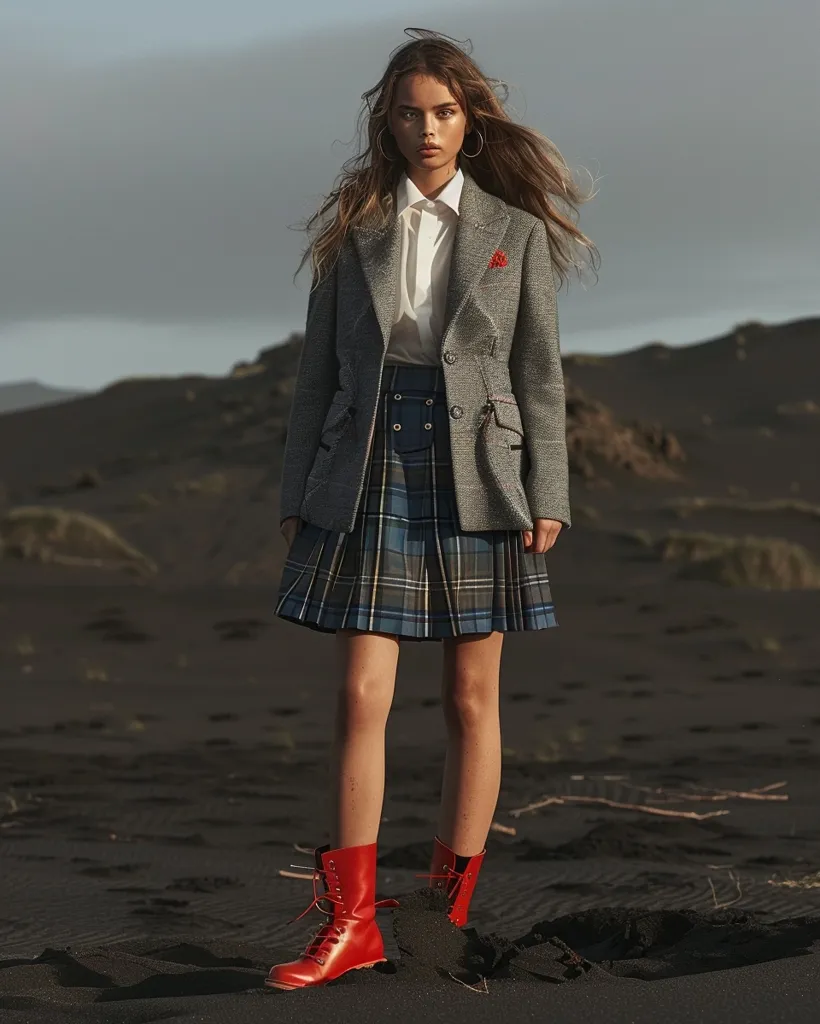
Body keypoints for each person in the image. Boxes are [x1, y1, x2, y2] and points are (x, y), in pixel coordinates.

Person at [266, 27, 598, 991]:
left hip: (481, 471)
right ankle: (353, 924)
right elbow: (316, 376)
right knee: (359, 696)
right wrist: (299, 491)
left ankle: (445, 919)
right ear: (389, 121)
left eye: (444, 112)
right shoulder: (353, 231)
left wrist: (550, 494)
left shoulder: (517, 233)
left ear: (470, 120)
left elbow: (540, 375)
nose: (426, 129)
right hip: (367, 464)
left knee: (469, 700)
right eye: (409, 113)